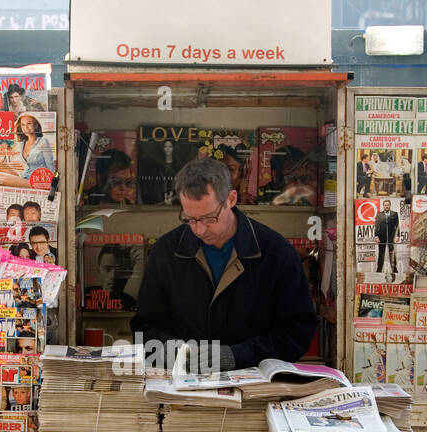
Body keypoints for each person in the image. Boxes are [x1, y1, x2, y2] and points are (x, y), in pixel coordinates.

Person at [130, 157, 317, 371]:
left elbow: (297, 333)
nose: (199, 230)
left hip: (252, 389)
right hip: (182, 386)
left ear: (231, 198)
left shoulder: (276, 252)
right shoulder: (166, 250)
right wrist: (168, 349)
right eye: (190, 218)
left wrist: (236, 356)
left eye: (210, 218)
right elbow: (144, 327)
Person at [84, 245, 142, 312]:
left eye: (119, 270)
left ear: (129, 273)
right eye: (107, 269)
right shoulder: (85, 296)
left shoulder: (131, 304)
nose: (113, 276)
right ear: (98, 272)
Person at [373, 197, 400, 280]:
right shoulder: (379, 215)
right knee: (381, 255)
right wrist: (376, 236)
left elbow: (397, 226)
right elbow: (376, 226)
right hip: (382, 237)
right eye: (385, 205)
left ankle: (395, 270)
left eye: (388, 205)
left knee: (392, 254)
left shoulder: (394, 214)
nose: (387, 206)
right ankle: (379, 270)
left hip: (391, 237)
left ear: (390, 205)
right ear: (383, 206)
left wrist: (398, 236)